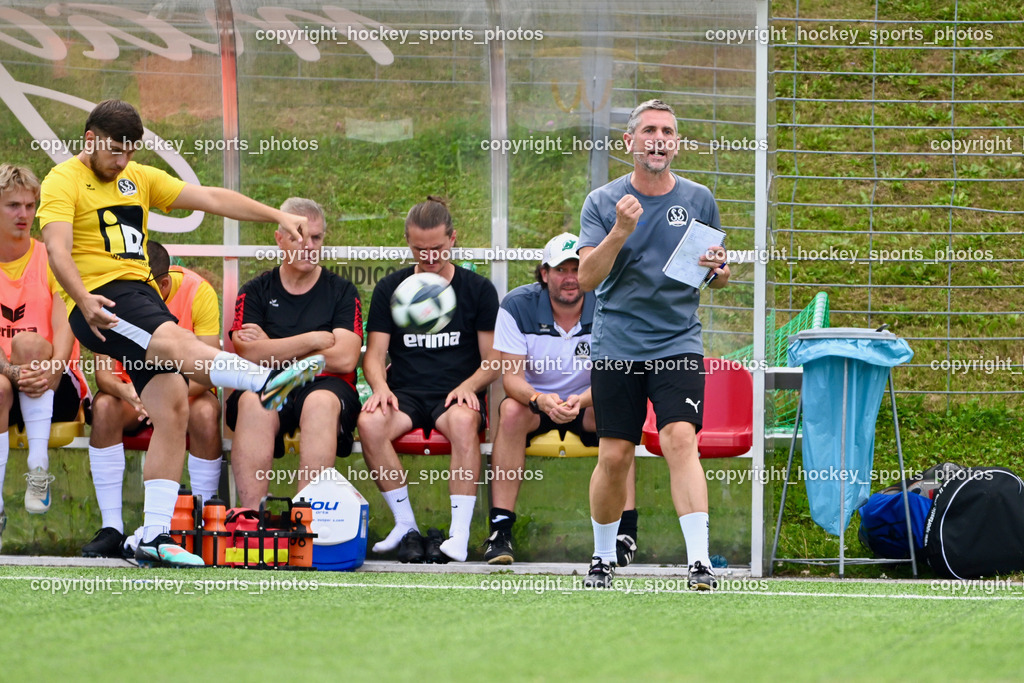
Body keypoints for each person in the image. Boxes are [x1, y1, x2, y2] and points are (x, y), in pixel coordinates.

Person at [37, 99, 324, 568]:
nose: (122, 160)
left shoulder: (140, 179)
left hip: (141, 295)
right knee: (177, 342)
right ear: (89, 139)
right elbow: (56, 249)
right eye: (114, 150)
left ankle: (153, 534)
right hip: (102, 301)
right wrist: (83, 299)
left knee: (172, 406)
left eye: (130, 151)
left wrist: (277, 215)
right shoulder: (63, 180)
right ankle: (263, 381)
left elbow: (211, 198)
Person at [577, 99, 730, 590]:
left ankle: (700, 563)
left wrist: (719, 272)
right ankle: (602, 559)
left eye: (667, 131)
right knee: (616, 454)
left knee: (680, 439)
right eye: (648, 131)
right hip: (617, 345)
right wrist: (622, 229)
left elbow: (709, 276)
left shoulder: (700, 198)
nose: (658, 139)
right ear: (630, 142)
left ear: (677, 143)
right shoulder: (602, 202)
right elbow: (585, 279)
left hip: (677, 341)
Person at [485, 232, 641, 566]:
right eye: (560, 270)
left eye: (577, 268)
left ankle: (625, 532)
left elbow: (617, 372)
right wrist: (541, 399)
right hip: (538, 404)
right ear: (544, 273)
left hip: (590, 402)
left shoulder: (607, 304)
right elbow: (511, 378)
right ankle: (500, 530)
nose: (570, 278)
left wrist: (582, 400)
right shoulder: (516, 305)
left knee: (617, 409)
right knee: (510, 411)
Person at [359, 197, 499, 563]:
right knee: (369, 423)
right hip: (403, 393)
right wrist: (381, 388)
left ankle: (459, 534)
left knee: (466, 422)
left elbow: (493, 360)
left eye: (437, 248)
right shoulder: (392, 288)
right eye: (420, 250)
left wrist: (470, 385)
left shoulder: (477, 289)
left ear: (453, 238)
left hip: (454, 395)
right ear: (408, 241)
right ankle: (405, 526)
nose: (430, 257)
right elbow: (373, 356)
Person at [82, 240, 224, 557]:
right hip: (133, 396)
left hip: (185, 393)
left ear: (162, 284)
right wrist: (134, 394)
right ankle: (112, 528)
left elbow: (207, 369)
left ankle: (204, 520)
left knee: (204, 412)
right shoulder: (110, 289)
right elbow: (104, 376)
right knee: (103, 406)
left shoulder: (198, 291)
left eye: (139, 286)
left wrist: (163, 398)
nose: (130, 293)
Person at [228, 198, 363, 508]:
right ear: (279, 238)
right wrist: (316, 340)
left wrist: (272, 348)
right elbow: (247, 354)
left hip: (325, 386)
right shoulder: (256, 290)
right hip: (269, 382)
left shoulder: (341, 291)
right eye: (299, 236)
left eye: (316, 238)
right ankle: (251, 520)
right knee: (252, 402)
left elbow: (344, 358)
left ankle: (306, 522)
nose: (308, 245)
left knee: (319, 403)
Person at [0, 164, 89, 550]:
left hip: (55, 386)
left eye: (30, 205)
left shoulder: (48, 257)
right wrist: (10, 373)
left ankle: (39, 469)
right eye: (12, 205)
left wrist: (54, 368)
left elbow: (67, 320)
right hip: (6, 384)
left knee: (29, 343)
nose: (24, 215)